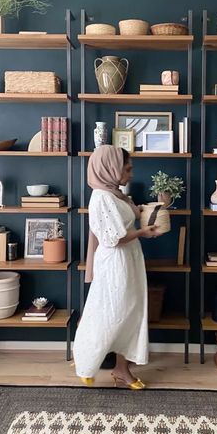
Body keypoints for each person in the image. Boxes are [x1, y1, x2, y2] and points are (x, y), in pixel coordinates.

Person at [73, 145, 161, 389]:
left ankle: (121, 369)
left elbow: (129, 215)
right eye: (127, 168)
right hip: (115, 261)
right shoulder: (101, 197)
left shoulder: (114, 194)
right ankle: (87, 361)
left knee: (130, 313)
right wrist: (143, 232)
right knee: (109, 312)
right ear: (111, 168)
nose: (131, 174)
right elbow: (112, 239)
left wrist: (144, 211)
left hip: (129, 257)